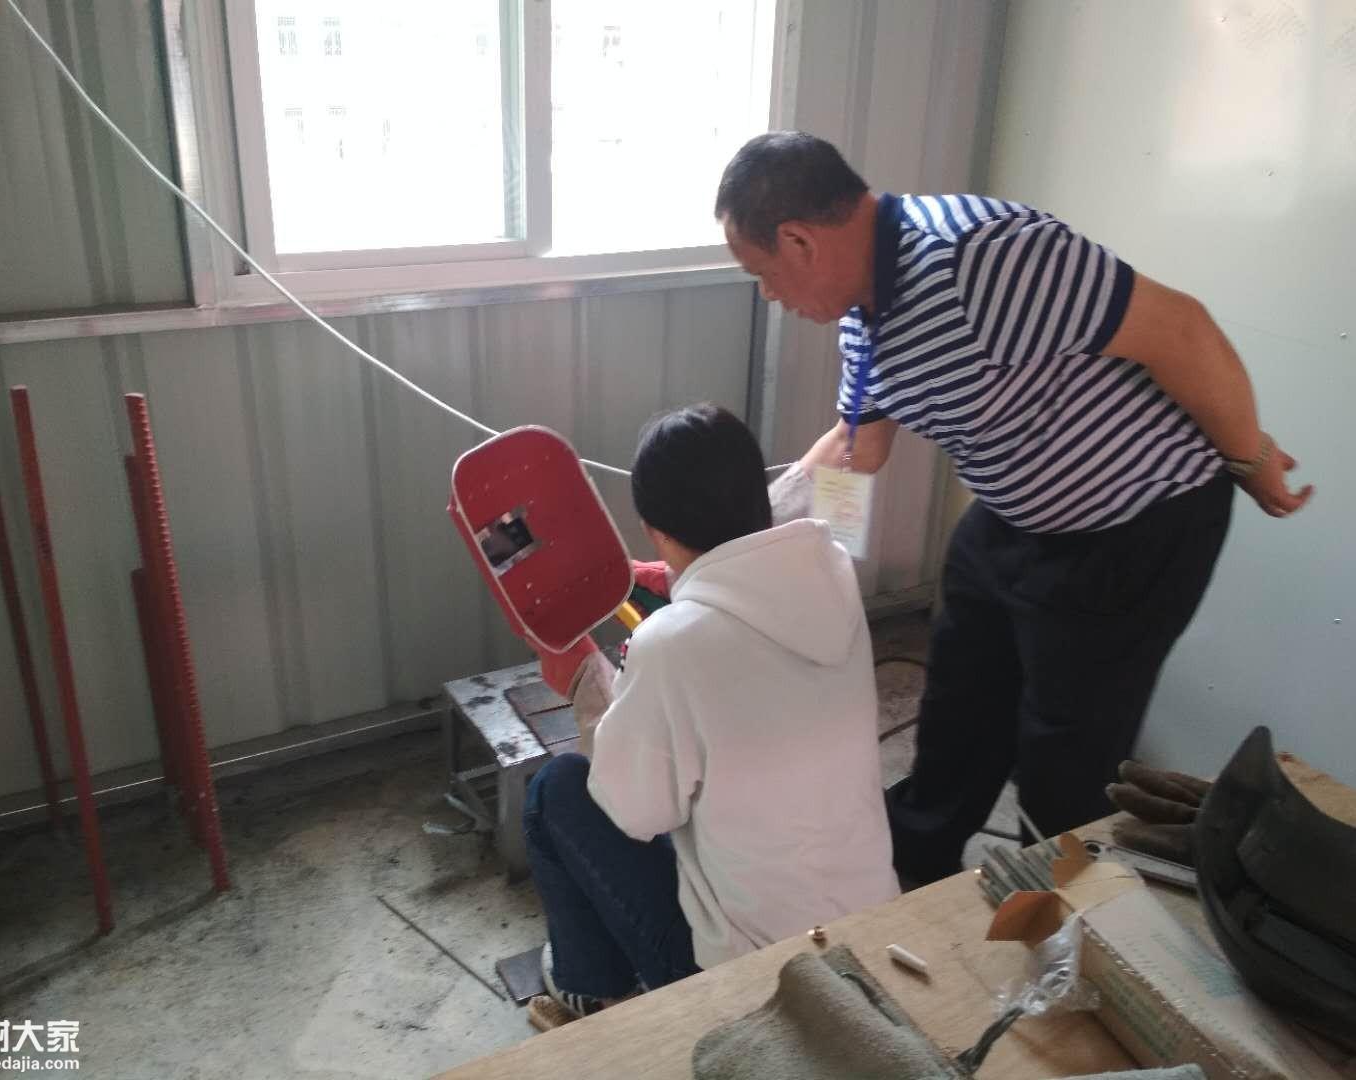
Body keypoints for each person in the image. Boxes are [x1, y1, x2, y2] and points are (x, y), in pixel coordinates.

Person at [716, 132, 1314, 885]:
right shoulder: (864, 310)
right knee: (958, 711)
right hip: (1014, 511)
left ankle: (1058, 908)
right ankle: (912, 873)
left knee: (1065, 757)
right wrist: (729, 556)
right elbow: (855, 448)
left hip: (1133, 523)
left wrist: (1251, 460)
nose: (770, 297)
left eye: (763, 275)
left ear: (800, 240)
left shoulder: (986, 258)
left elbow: (1183, 330)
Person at [522, 403, 899, 1020]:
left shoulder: (670, 646)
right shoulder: (832, 572)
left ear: (656, 532)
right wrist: (692, 581)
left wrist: (585, 681)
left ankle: (591, 986)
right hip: (866, 930)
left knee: (557, 789)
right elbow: (758, 568)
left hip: (757, 984)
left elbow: (636, 813)